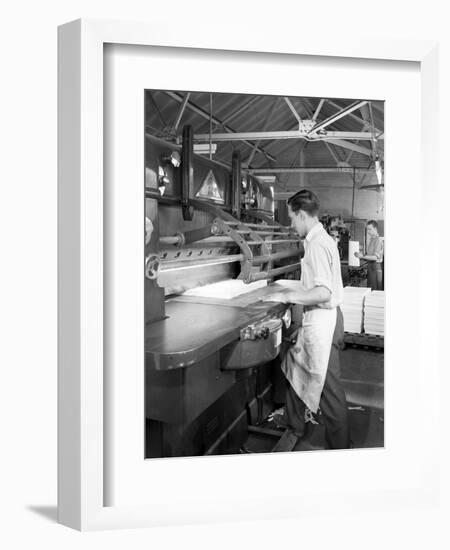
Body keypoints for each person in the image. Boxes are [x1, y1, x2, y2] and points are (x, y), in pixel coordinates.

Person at [264, 189, 350, 449]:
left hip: (324, 324)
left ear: (302, 215)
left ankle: (341, 448)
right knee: (294, 369)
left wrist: (291, 295)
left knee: (328, 390)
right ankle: (294, 423)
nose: (292, 225)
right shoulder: (320, 240)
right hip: (323, 320)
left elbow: (324, 292)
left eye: (292, 218)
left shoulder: (317, 244)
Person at [354, 220, 383, 290]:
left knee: (375, 290)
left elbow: (375, 258)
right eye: (367, 229)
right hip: (370, 266)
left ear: (375, 229)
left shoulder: (378, 240)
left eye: (370, 229)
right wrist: (360, 256)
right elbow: (369, 255)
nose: (368, 231)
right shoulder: (371, 240)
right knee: (370, 288)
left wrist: (363, 256)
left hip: (375, 267)